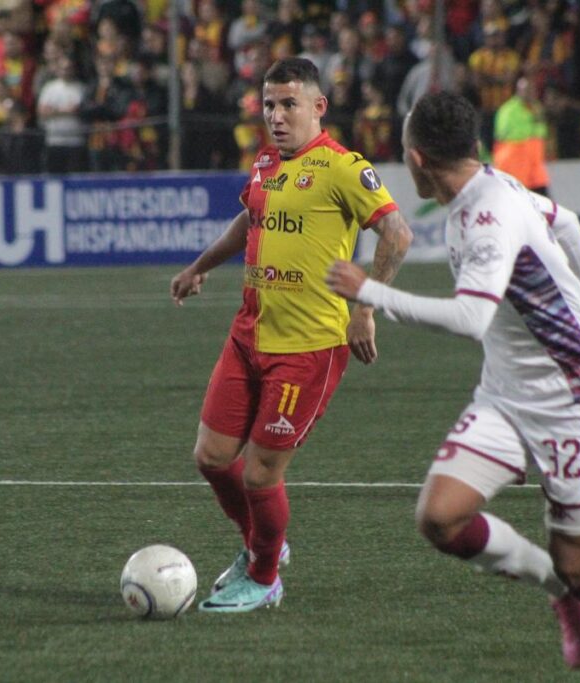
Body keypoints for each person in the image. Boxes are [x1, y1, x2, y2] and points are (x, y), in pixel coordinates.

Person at [325, 92, 580, 683]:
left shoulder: (488, 213)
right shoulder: (491, 188)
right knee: (440, 518)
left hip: (574, 399)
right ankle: (560, 593)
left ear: (417, 159)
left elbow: (472, 318)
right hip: (506, 395)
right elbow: (567, 224)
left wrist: (370, 293)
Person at [169, 57, 412, 613]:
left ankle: (264, 577)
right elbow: (249, 220)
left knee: (260, 474)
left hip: (308, 348)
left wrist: (365, 309)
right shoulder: (265, 164)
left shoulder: (343, 168)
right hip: (248, 335)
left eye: (288, 104)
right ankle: (264, 545)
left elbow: (397, 234)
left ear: (318, 106)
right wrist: (200, 266)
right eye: (269, 105)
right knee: (211, 457)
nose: (276, 116)